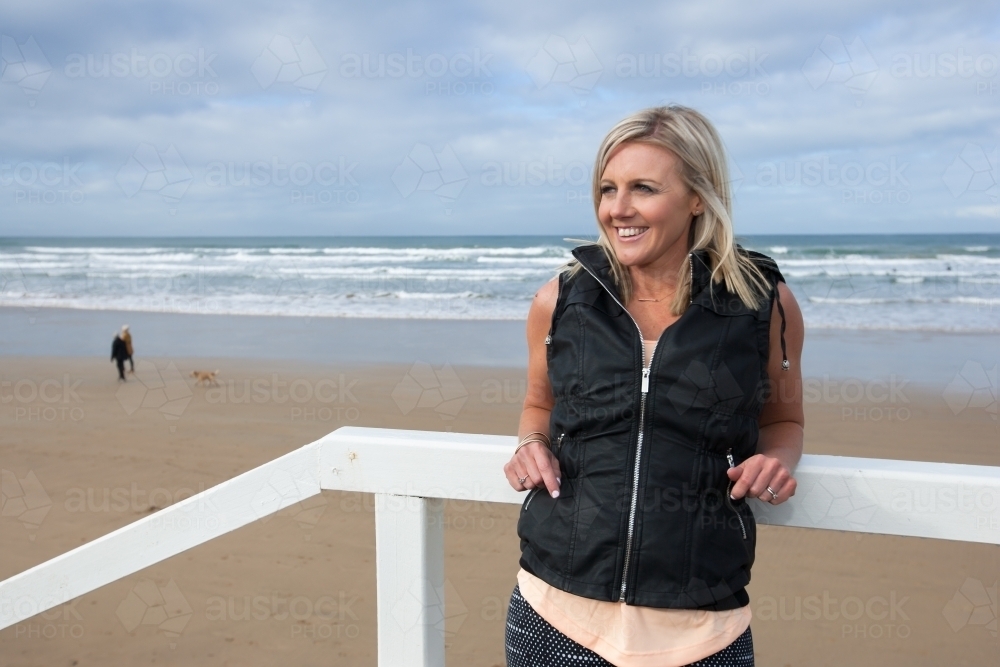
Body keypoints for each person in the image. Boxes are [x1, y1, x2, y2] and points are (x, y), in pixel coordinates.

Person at [503, 106, 805, 667]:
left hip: (703, 628)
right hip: (554, 613)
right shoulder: (561, 300)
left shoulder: (763, 304)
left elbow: (784, 420)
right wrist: (530, 445)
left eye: (643, 188)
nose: (618, 209)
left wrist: (777, 460)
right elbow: (538, 403)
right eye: (607, 189)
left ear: (698, 196)